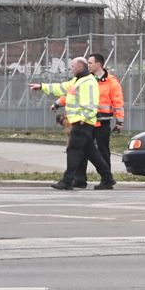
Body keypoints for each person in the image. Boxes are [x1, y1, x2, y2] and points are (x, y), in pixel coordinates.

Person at [32, 56, 99, 191]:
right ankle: (108, 178)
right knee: (91, 153)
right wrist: (42, 87)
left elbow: (91, 105)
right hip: (79, 122)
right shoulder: (77, 81)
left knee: (73, 151)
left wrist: (82, 119)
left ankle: (67, 181)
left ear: (80, 67)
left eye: (72, 67)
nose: (70, 69)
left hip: (82, 122)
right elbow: (62, 88)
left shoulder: (88, 82)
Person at [86, 53, 122, 190]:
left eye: (90, 63)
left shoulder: (111, 82)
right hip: (88, 122)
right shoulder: (87, 80)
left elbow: (118, 102)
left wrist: (119, 122)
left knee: (103, 151)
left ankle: (106, 180)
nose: (87, 65)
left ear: (98, 64)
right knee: (82, 150)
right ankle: (79, 179)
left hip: (103, 122)